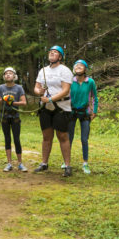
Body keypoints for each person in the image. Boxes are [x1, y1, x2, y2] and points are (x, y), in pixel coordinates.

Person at [33, 45, 74, 177]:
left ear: (60, 57)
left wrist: (51, 99)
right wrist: (39, 92)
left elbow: (65, 90)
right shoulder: (43, 71)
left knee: (62, 136)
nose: (52, 53)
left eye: (55, 52)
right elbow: (37, 87)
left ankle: (67, 166)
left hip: (61, 107)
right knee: (46, 136)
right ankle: (44, 163)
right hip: (45, 108)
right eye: (50, 52)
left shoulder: (65, 71)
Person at [67, 59, 98, 175]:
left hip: (85, 113)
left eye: (81, 66)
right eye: (76, 66)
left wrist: (94, 111)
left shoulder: (90, 82)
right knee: (69, 138)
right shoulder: (70, 81)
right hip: (71, 112)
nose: (78, 67)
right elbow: (65, 95)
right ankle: (67, 162)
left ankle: (85, 163)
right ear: (73, 69)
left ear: (85, 69)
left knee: (84, 139)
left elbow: (95, 97)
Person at [0, 67, 28, 172]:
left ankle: (20, 163)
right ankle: (9, 163)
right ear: (4, 76)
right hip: (4, 116)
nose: (8, 75)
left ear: (14, 76)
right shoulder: (1, 88)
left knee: (16, 139)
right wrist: (2, 100)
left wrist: (12, 102)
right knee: (7, 139)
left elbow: (24, 103)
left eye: (10, 73)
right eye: (6, 73)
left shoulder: (19, 88)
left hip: (15, 117)